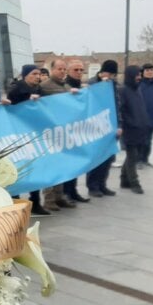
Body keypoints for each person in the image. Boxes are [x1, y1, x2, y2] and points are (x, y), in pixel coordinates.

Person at [7, 64, 49, 214]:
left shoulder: (39, 90)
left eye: (39, 74)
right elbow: (11, 106)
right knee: (17, 167)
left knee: (35, 167)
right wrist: (26, 99)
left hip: (33, 132)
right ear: (25, 75)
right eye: (34, 74)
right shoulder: (16, 89)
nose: (37, 76)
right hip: (17, 133)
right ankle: (15, 200)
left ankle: (36, 201)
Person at [39, 59, 78, 209]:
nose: (62, 71)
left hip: (63, 131)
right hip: (48, 132)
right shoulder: (44, 86)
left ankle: (59, 196)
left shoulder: (66, 86)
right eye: (59, 69)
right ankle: (49, 200)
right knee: (49, 166)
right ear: (52, 69)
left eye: (64, 69)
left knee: (61, 165)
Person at [87, 60, 122, 198]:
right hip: (96, 125)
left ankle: (102, 184)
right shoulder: (92, 83)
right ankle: (93, 186)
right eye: (109, 73)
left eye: (113, 74)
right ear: (102, 71)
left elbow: (117, 106)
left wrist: (120, 125)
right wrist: (102, 84)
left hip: (111, 125)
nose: (111, 76)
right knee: (97, 157)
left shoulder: (114, 85)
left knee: (108, 157)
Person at [63, 60, 90, 203]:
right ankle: (66, 192)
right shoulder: (65, 86)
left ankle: (73, 191)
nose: (79, 72)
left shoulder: (81, 86)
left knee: (76, 164)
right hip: (67, 130)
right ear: (68, 71)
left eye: (81, 70)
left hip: (78, 130)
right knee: (68, 164)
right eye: (76, 70)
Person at [119, 66, 149, 194]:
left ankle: (124, 179)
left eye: (140, 75)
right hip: (130, 128)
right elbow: (121, 110)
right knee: (132, 156)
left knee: (134, 155)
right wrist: (129, 123)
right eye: (137, 75)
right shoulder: (123, 91)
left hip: (140, 128)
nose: (139, 77)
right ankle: (134, 182)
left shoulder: (138, 90)